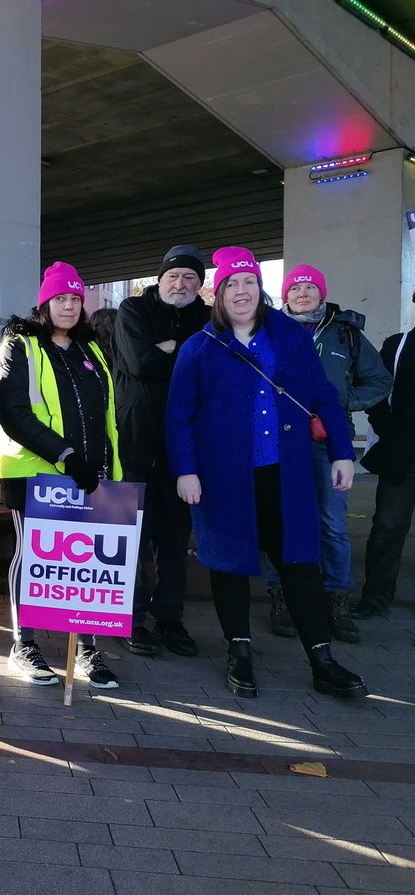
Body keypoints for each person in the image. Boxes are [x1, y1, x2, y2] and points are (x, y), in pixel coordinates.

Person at [166, 246, 366, 699]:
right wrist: (186, 470)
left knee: (299, 563)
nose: (241, 291)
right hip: (223, 478)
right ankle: (239, 653)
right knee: (230, 566)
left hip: (285, 473)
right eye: (231, 284)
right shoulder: (200, 347)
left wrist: (341, 452)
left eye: (249, 282)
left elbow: (324, 397)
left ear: (261, 289)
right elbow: (179, 415)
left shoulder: (290, 338)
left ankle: (322, 658)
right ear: (218, 295)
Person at [0, 261, 122, 690]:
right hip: (37, 474)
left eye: (75, 299)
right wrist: (66, 456)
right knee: (34, 556)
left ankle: (84, 648)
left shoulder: (92, 351)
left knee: (81, 564)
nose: (69, 306)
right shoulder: (19, 346)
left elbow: (107, 416)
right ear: (43, 305)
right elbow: (14, 414)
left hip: (91, 476)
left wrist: (103, 468)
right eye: (60, 298)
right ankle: (23, 645)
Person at [266, 265, 390, 642]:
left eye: (310, 287)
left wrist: (342, 402)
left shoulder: (346, 334)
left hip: (327, 442)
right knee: (284, 519)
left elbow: (380, 380)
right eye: (295, 287)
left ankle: (337, 601)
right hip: (281, 441)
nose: (302, 292)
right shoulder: (267, 331)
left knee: (332, 524)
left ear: (322, 293)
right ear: (285, 295)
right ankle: (282, 597)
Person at [113, 245, 210, 658]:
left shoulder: (207, 319)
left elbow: (209, 370)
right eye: (174, 276)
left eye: (190, 278)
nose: (181, 283)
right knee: (132, 537)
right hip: (135, 443)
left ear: (199, 286)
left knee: (174, 539)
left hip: (185, 451)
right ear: (160, 278)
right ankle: (131, 619)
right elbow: (139, 361)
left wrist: (171, 351)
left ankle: (170, 618)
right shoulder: (133, 310)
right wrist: (176, 356)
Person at [355, 289, 415, 620]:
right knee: (387, 529)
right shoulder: (397, 345)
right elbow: (375, 390)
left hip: (400, 452)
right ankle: (375, 598)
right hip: (402, 456)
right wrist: (390, 434)